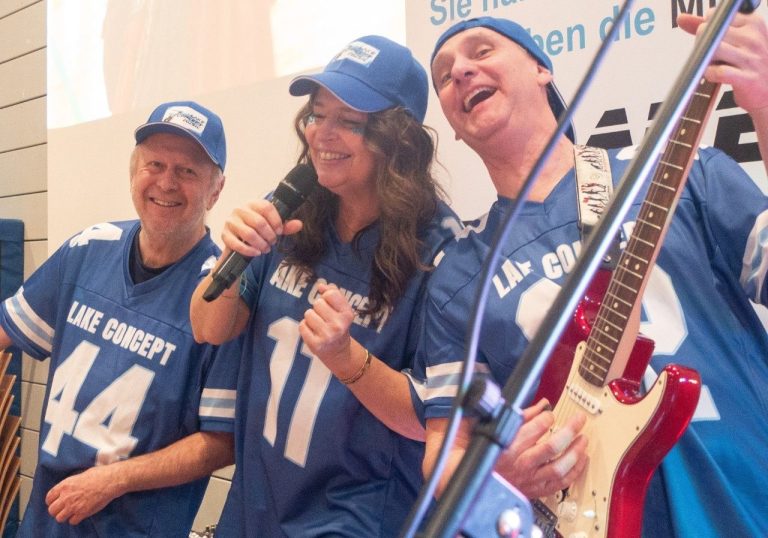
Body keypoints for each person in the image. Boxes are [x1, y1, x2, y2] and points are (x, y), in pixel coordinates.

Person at [413, 10, 768, 538]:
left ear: (542, 69)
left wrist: (763, 103)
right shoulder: (457, 276)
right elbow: (445, 451)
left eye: (482, 51)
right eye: (443, 75)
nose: (460, 71)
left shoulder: (683, 170)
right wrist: (494, 476)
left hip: (748, 494)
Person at [189, 35, 462, 537]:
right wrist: (233, 256)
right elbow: (209, 328)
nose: (322, 134)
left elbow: (430, 420)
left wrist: (345, 356)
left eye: (348, 121)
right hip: (254, 512)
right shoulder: (289, 207)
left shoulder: (440, 248)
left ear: (397, 140)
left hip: (354, 522)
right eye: (317, 115)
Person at [0, 101, 237, 536]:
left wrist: (116, 479)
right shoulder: (89, 248)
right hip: (46, 520)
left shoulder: (221, 296)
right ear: (134, 172)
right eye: (155, 164)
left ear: (215, 190)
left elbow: (222, 442)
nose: (166, 182)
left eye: (187, 171)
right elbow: (7, 329)